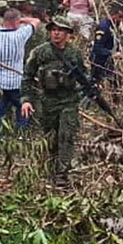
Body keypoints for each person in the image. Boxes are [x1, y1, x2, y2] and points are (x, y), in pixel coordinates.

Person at [22, 16, 90, 187]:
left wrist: (88, 92)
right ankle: (51, 167)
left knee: (66, 135)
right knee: (50, 136)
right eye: (53, 30)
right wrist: (26, 100)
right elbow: (27, 77)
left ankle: (62, 173)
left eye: (60, 30)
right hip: (48, 101)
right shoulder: (40, 52)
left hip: (69, 100)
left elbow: (84, 75)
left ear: (68, 34)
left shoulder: (74, 53)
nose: (56, 33)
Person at [0, 9, 37, 129]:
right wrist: (23, 19)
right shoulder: (20, 35)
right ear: (16, 22)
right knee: (22, 110)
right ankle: (22, 134)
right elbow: (36, 21)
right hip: (16, 81)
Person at [90, 3, 123, 90]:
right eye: (119, 16)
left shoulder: (114, 27)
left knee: (117, 81)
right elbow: (97, 48)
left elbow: (120, 37)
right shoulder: (104, 27)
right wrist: (112, 54)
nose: (121, 20)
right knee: (96, 85)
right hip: (99, 62)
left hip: (108, 61)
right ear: (113, 15)